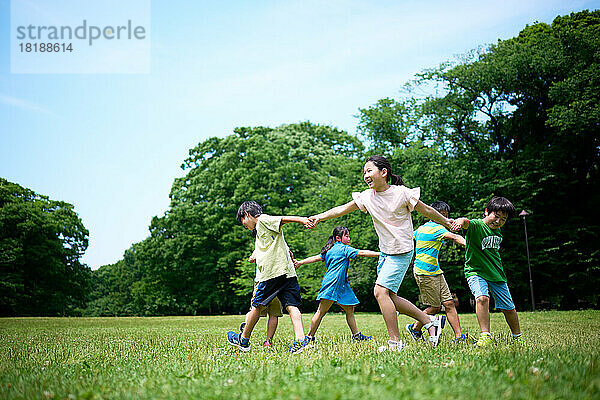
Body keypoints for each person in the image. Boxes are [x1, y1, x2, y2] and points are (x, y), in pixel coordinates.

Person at [307, 155, 449, 351]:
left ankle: (395, 343)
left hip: (402, 250)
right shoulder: (367, 196)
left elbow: (426, 211)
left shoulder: (402, 193)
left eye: (369, 170)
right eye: (364, 172)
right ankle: (429, 321)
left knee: (380, 292)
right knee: (389, 296)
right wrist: (320, 217)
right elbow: (342, 209)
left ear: (384, 173)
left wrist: (447, 222)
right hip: (386, 252)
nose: (366, 175)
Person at [227, 201, 310, 353]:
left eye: (243, 220)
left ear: (246, 214)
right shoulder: (260, 230)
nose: (244, 224)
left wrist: (301, 219)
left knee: (257, 306)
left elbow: (282, 219)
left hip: (272, 273)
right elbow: (275, 243)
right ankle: (300, 340)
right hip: (287, 272)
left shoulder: (262, 220)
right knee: (292, 306)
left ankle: (243, 340)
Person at [451, 196, 523, 347]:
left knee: (509, 308)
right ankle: (485, 335)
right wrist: (459, 221)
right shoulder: (477, 225)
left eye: (503, 219)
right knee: (482, 298)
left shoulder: (498, 232)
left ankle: (518, 337)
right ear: (486, 212)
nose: (498, 221)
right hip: (475, 272)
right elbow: (466, 222)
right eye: (496, 216)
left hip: (496, 274)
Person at [294, 226, 379, 344]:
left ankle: (356, 336)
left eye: (349, 236)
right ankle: (308, 337)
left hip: (341, 286)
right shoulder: (344, 249)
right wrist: (381, 254)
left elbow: (315, 258)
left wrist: (300, 262)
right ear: (338, 238)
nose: (349, 238)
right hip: (332, 285)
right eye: (347, 236)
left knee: (350, 310)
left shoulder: (330, 249)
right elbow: (363, 252)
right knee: (321, 312)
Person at [408, 201, 469, 344]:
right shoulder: (436, 229)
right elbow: (455, 237)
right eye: (443, 216)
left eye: (447, 216)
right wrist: (472, 246)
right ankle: (415, 328)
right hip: (425, 273)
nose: (445, 219)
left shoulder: (421, 229)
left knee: (449, 303)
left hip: (436, 271)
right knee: (434, 307)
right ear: (433, 215)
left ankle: (459, 337)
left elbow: (410, 237)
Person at [238, 251, 285, 349]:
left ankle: (245, 330)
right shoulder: (280, 243)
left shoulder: (261, 244)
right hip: (278, 283)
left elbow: (252, 259)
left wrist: (254, 256)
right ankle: (268, 341)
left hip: (262, 282)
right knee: (274, 314)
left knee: (255, 309)